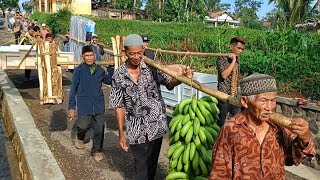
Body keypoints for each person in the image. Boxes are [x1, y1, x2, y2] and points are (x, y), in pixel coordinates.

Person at [109, 34, 193, 180]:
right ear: (124, 52)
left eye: (139, 53)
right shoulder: (119, 75)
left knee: (152, 165)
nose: (136, 56)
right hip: (136, 129)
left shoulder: (152, 67)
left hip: (156, 125)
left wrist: (182, 78)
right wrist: (121, 132)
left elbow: (169, 82)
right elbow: (118, 105)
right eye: (132, 53)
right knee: (140, 169)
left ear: (143, 49)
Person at [209, 73, 316, 179]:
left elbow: (293, 158)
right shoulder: (231, 129)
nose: (269, 107)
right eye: (263, 100)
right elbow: (219, 173)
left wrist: (304, 138)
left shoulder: (278, 128)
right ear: (245, 102)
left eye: (273, 100)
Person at [68, 46, 114, 162]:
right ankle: (80, 137)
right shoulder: (78, 71)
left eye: (91, 55)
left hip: (98, 103)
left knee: (99, 127)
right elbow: (73, 89)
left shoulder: (99, 70)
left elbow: (108, 81)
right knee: (83, 125)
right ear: (83, 57)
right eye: (87, 56)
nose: (89, 58)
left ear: (94, 56)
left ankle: (97, 151)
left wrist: (111, 68)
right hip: (84, 104)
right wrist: (71, 107)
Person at [216, 37, 246, 127]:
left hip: (234, 96)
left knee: (237, 120)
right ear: (231, 46)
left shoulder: (237, 60)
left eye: (242, 49)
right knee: (221, 122)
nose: (240, 51)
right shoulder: (222, 59)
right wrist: (233, 61)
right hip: (223, 96)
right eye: (238, 48)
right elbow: (224, 75)